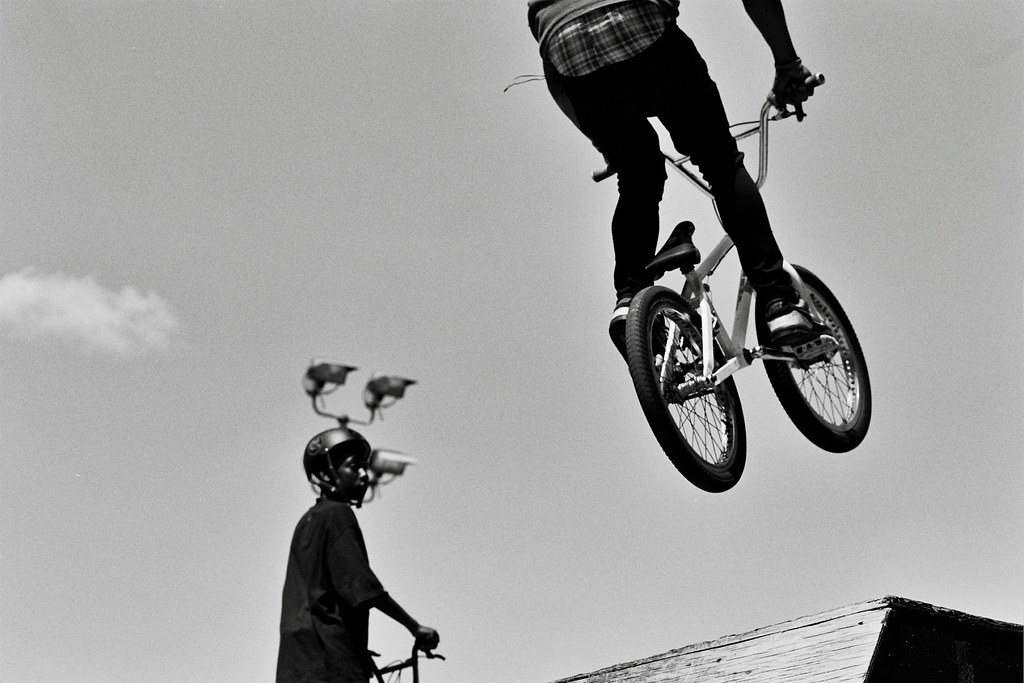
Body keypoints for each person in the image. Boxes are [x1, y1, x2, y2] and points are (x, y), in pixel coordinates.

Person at [527, 0, 828, 358]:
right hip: (635, 21)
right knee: (720, 163)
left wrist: (608, 144)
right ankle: (780, 303)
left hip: (565, 49)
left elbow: (554, 68)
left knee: (638, 174)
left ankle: (629, 300)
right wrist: (787, 63)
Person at [276, 427, 440, 683]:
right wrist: (414, 627)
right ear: (324, 474)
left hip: (296, 665)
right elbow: (362, 586)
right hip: (331, 666)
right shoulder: (338, 515)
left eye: (365, 467)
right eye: (354, 467)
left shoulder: (307, 522)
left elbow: (320, 598)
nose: (364, 475)